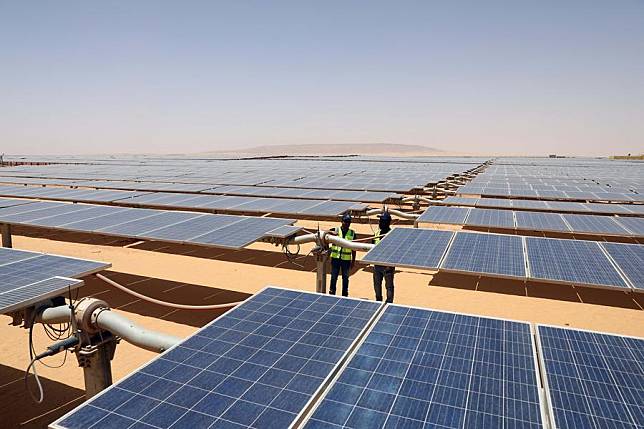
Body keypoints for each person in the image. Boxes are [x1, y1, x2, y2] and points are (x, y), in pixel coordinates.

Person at [329, 213, 356, 297]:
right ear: (342, 221)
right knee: (334, 277)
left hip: (346, 260)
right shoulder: (335, 230)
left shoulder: (352, 233)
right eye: (346, 221)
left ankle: (344, 294)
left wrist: (353, 261)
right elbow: (325, 235)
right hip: (335, 259)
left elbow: (354, 248)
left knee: (345, 278)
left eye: (349, 222)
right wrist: (330, 232)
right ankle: (332, 292)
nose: (347, 223)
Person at [373, 211, 395, 303]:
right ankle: (378, 302)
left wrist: (390, 265)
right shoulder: (377, 233)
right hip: (377, 266)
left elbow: (396, 252)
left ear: (387, 222)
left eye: (382, 221)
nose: (380, 223)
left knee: (389, 287)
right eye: (380, 221)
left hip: (388, 267)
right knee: (377, 286)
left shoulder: (393, 234)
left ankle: (389, 303)